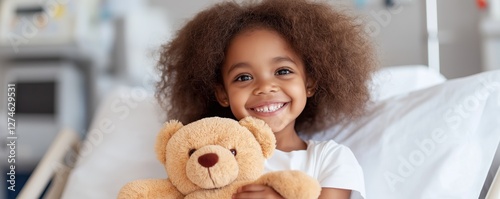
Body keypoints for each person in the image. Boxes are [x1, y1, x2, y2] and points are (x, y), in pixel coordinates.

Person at [156, 0, 377, 198]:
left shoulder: (329, 158)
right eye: (243, 77)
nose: (264, 87)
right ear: (223, 94)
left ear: (309, 83)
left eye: (282, 71)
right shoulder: (206, 159)